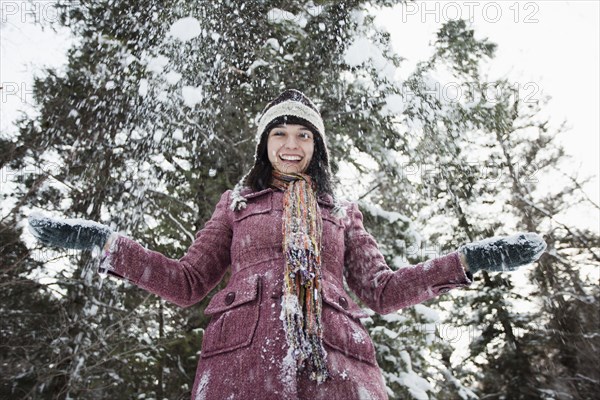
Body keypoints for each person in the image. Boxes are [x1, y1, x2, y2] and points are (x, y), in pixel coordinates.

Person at [29, 89, 547, 400]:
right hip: (242, 365)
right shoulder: (235, 204)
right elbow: (186, 283)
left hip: (338, 365)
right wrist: (106, 244)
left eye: (303, 135)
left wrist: (469, 260)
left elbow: (384, 291)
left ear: (317, 146)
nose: (292, 145)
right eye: (280, 134)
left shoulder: (340, 211)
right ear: (265, 144)